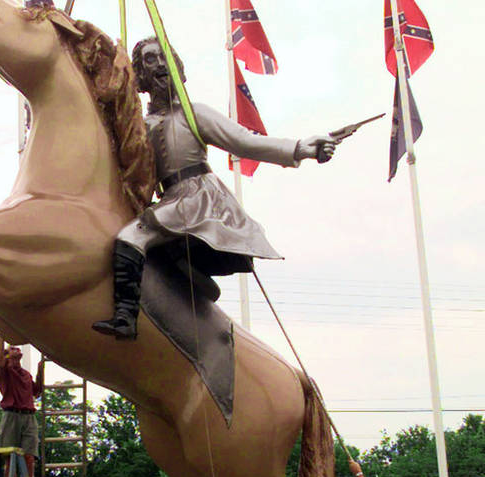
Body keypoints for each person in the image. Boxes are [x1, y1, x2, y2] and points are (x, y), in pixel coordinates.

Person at [92, 37, 338, 340]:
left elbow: (245, 142)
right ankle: (198, 282)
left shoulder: (195, 114)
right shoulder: (141, 125)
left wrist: (300, 148)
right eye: (150, 60)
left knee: (132, 238)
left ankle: (125, 318)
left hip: (200, 198)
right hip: (168, 199)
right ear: (140, 74)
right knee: (149, 250)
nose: (160, 65)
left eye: (164, 58)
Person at [0, 335, 44, 477]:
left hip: (29, 417)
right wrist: (1, 330)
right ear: (6, 355)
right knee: (11, 457)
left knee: (29, 457)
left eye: (17, 347)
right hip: (11, 416)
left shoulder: (25, 375)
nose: (16, 348)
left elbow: (37, 391)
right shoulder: (4, 371)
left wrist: (40, 369)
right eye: (12, 348)